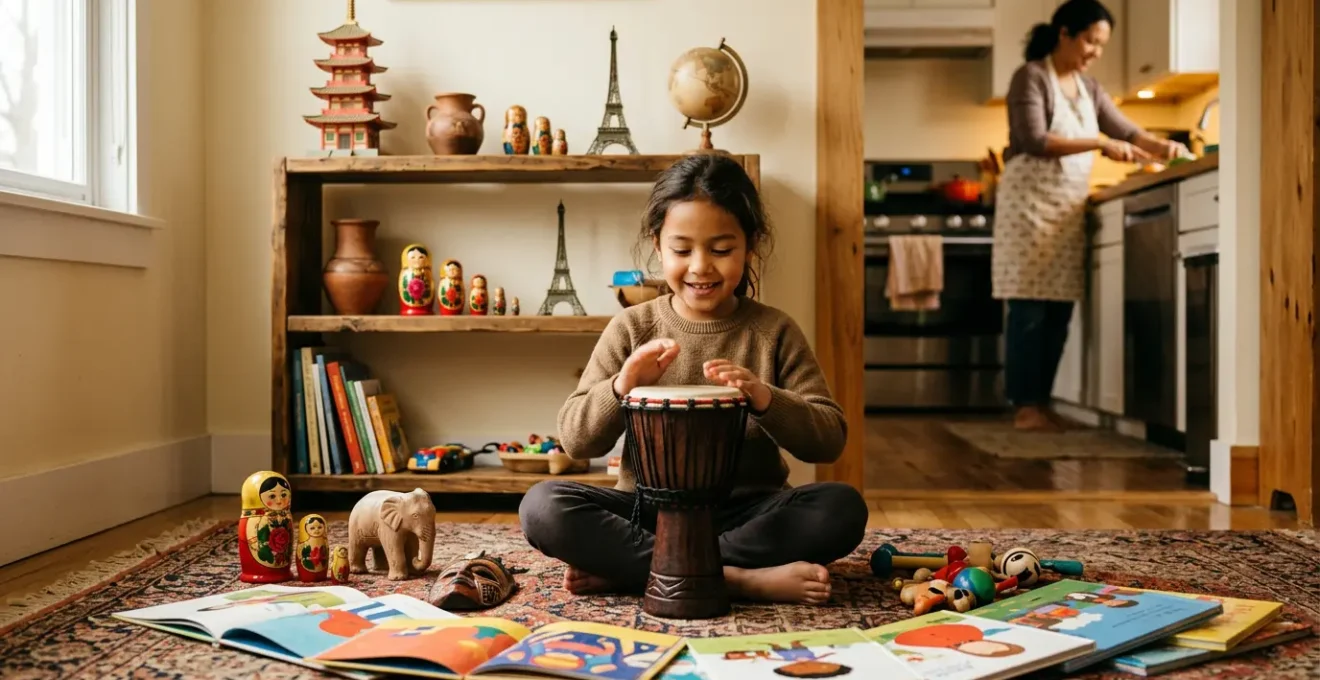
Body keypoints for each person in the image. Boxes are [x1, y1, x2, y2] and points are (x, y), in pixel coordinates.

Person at [519, 153, 869, 606]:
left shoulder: (774, 331)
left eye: (721, 250)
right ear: (657, 245)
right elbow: (575, 440)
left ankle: (647, 571)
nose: (701, 267)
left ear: (751, 244)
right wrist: (621, 387)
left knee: (841, 509)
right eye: (682, 250)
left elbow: (828, 440)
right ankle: (739, 579)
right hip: (648, 516)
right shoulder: (631, 328)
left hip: (748, 517)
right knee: (543, 507)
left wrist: (765, 399)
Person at [992, 0, 1189, 431]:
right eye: (1089, 41)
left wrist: (1163, 147)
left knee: (1059, 309)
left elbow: (1126, 129)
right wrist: (1098, 143)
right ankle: (1025, 404)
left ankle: (1040, 402)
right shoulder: (1031, 77)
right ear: (1064, 33)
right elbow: (1034, 138)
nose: (1094, 52)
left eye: (1101, 45)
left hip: (1066, 208)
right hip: (1028, 210)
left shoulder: (1089, 89)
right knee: (1029, 310)